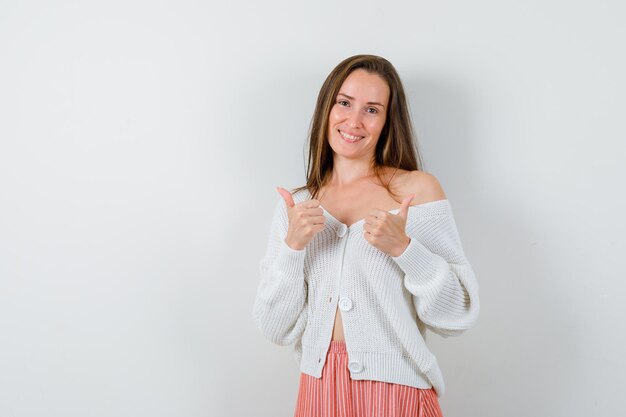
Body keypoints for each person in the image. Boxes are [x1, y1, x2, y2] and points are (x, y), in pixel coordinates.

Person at [253, 54, 480, 417]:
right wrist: (293, 248)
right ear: (328, 107)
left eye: (372, 109)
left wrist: (406, 250)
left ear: (388, 121)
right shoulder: (297, 206)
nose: (354, 121)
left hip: (397, 395)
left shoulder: (415, 192)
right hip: (319, 394)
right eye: (344, 103)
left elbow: (457, 315)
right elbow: (274, 327)